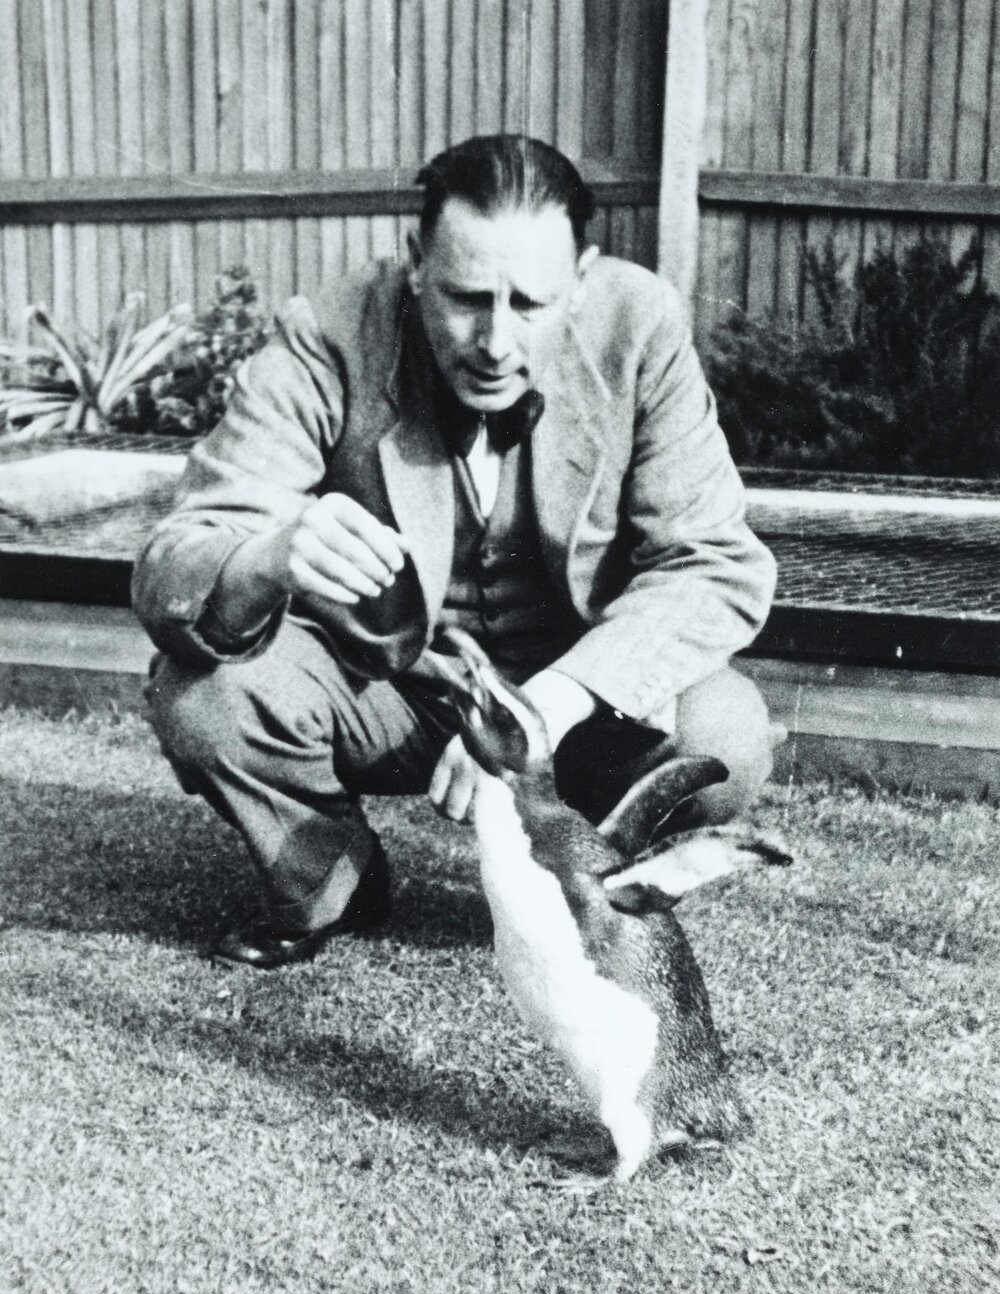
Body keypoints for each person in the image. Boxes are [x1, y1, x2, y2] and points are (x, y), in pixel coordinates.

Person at [133, 133, 777, 969]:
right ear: (413, 266)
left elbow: (714, 564)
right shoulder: (330, 334)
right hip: (394, 691)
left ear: (581, 281)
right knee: (202, 699)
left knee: (723, 731)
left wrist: (551, 703)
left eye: (529, 306)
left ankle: (596, 879)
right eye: (466, 297)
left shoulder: (641, 328)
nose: (496, 342)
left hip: (574, 704)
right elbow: (176, 557)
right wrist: (267, 553)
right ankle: (334, 877)